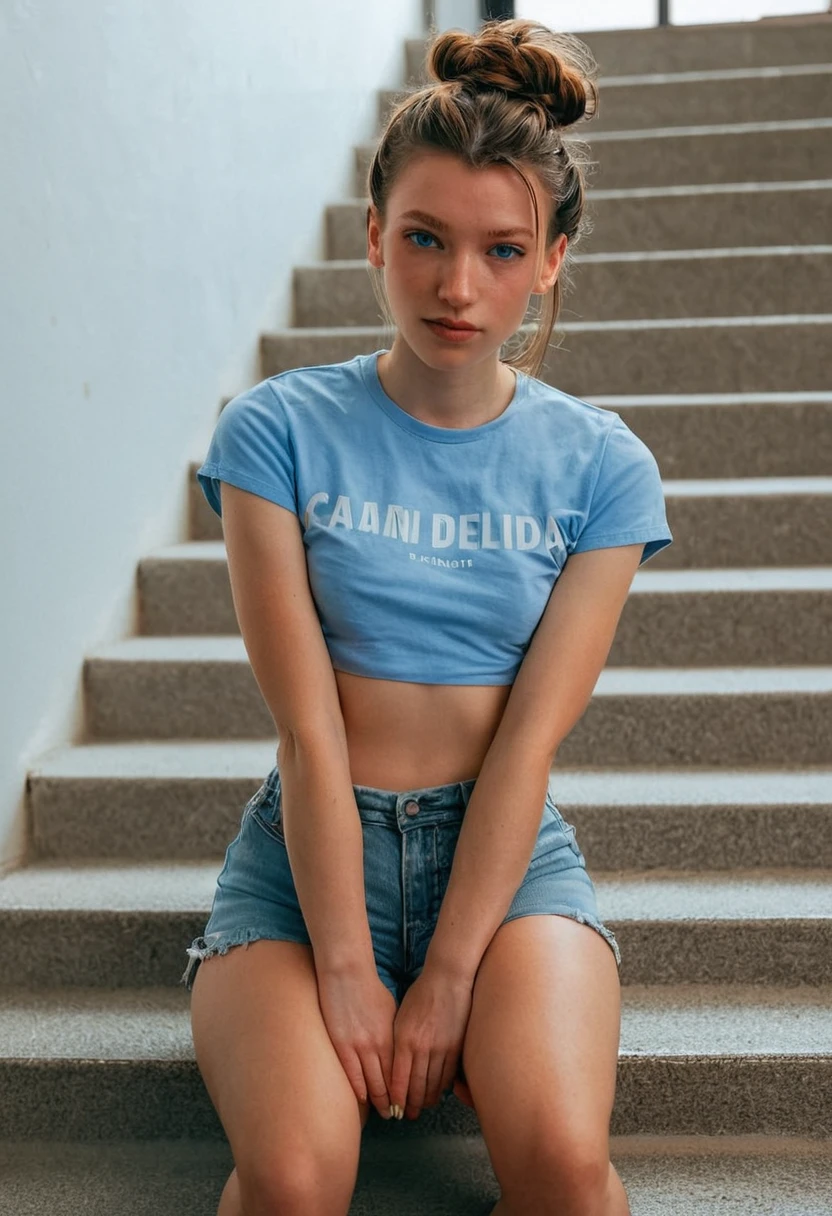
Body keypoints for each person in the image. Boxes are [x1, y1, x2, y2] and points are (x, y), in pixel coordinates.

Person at [181, 16, 673, 1216]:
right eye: (425, 239)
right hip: (305, 864)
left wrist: (450, 967)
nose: (459, 286)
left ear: (552, 257)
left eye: (502, 250)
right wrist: (346, 962)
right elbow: (306, 731)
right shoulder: (274, 435)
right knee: (295, 1182)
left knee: (562, 1167)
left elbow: (527, 744)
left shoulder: (602, 469)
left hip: (500, 863)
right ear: (373, 239)